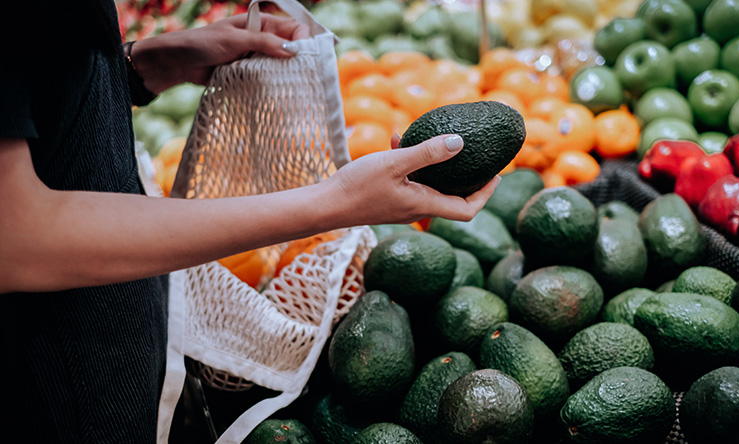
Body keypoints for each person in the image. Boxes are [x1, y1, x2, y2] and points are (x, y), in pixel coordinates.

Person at [0, 1, 499, 442]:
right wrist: (338, 202)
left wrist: (139, 64)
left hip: (103, 353)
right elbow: (17, 237)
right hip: (40, 387)